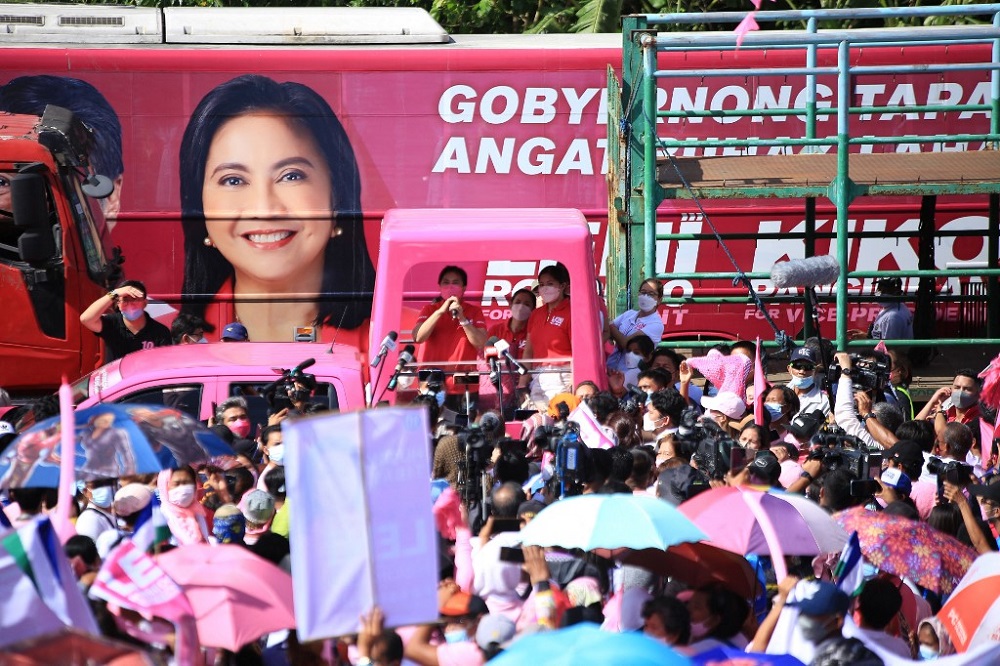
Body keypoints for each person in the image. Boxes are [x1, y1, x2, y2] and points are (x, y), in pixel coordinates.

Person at [178, 74, 374, 344]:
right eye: (233, 180)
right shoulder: (168, 342)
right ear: (198, 209)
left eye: (291, 176)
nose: (265, 208)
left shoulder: (407, 339)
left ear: (337, 195)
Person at [413, 266, 488, 405]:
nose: (450, 287)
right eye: (446, 282)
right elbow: (418, 337)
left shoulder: (474, 311)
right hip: (432, 383)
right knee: (431, 424)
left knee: (463, 425)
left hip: (463, 385)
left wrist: (463, 319)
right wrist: (440, 311)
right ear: (440, 286)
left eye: (455, 282)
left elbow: (481, 343)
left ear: (464, 287)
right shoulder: (429, 309)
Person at [520, 263, 573, 409]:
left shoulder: (571, 311)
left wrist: (574, 381)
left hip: (562, 375)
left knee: (557, 419)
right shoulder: (536, 314)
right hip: (537, 375)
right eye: (542, 284)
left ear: (562, 286)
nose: (545, 288)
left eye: (550, 284)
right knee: (536, 419)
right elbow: (528, 351)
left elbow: (578, 350)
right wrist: (522, 382)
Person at [79, 279, 172, 363]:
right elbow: (86, 319)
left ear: (145, 303)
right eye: (125, 300)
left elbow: (163, 365)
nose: (130, 305)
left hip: (144, 381)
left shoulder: (160, 332)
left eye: (135, 299)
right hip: (117, 381)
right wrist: (115, 293)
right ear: (118, 304)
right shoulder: (112, 323)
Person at [607, 277, 664, 372]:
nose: (646, 297)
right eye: (643, 292)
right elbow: (607, 330)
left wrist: (610, 326)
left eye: (651, 294)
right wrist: (610, 329)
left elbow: (626, 343)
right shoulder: (629, 314)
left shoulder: (656, 324)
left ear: (659, 300)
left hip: (631, 375)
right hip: (610, 368)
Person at [157, 466, 209, 545]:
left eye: (187, 483)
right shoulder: (161, 518)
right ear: (165, 486)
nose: (183, 488)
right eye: (176, 484)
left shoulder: (200, 513)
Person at [787, 346, 830, 418]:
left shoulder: (824, 402)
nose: (802, 371)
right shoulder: (778, 393)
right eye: (797, 366)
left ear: (815, 371)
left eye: (808, 367)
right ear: (789, 369)